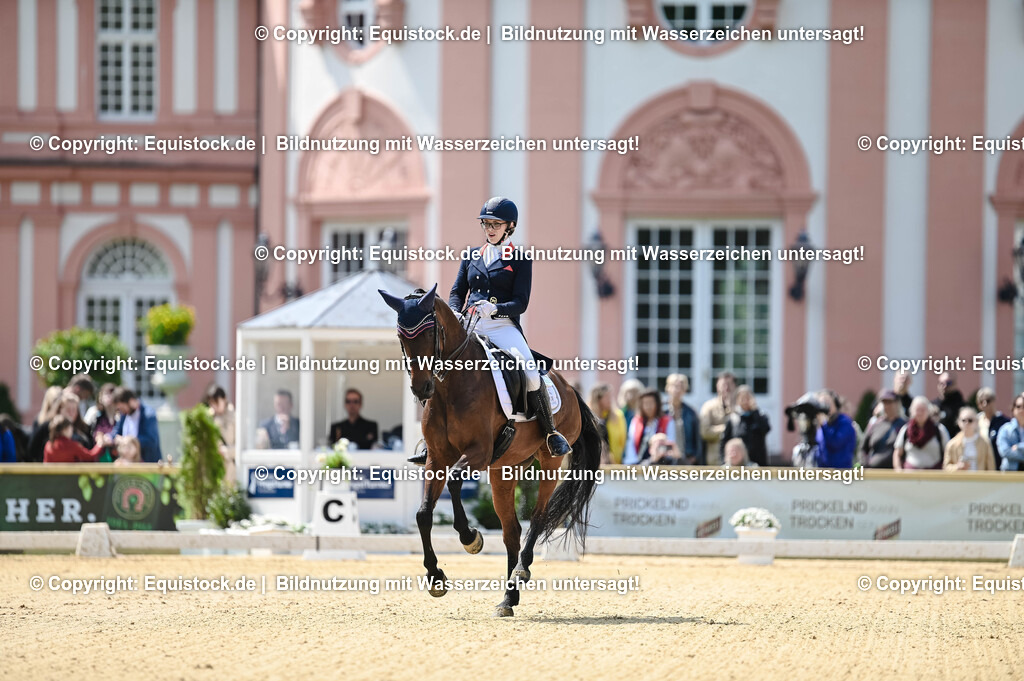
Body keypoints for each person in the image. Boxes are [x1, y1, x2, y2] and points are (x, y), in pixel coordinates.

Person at [447, 196, 570, 456]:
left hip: (502, 327)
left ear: (509, 227)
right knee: (441, 368)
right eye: (486, 224)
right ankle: (434, 439)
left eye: (496, 224)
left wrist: (497, 309)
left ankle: (550, 432)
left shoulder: (521, 258)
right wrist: (456, 313)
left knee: (530, 372)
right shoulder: (471, 256)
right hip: (472, 325)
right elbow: (458, 291)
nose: (490, 229)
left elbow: (521, 302)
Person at [28, 390, 94, 463]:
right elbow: (32, 451)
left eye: (74, 410)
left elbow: (90, 452)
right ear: (60, 409)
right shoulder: (48, 427)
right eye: (68, 410)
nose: (71, 413)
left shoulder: (84, 428)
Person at [894, 396, 950, 470]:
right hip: (910, 475)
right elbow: (897, 453)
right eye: (917, 410)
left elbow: (948, 452)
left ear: (928, 411)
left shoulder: (939, 429)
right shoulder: (906, 429)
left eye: (923, 410)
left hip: (934, 475)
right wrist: (898, 470)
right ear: (912, 411)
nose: (920, 413)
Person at [720, 384, 770, 467]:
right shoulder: (733, 419)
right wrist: (724, 462)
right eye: (742, 398)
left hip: (757, 463)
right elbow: (724, 442)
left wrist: (755, 412)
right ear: (737, 400)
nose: (745, 401)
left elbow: (765, 429)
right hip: (736, 465)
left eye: (748, 398)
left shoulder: (760, 416)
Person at [623, 389, 675, 465]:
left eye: (651, 403)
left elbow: (670, 443)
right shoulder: (636, 421)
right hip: (639, 464)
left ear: (657, 404)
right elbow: (631, 446)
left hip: (661, 464)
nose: (648, 407)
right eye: (645, 403)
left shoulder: (667, 421)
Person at [111, 387, 163, 463]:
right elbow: (116, 432)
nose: (121, 411)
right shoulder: (124, 414)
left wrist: (127, 440)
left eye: (122, 408)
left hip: (146, 464)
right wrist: (109, 437)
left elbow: (151, 441)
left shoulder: (148, 415)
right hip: (126, 464)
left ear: (131, 401)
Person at [859, 390, 906, 469]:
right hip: (873, 470)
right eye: (884, 402)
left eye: (889, 402)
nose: (887, 406)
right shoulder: (875, 424)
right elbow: (863, 448)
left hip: (895, 472)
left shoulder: (904, 425)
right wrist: (864, 463)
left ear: (897, 403)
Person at [700, 371, 736, 466]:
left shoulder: (739, 407)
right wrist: (727, 429)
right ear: (717, 386)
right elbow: (705, 431)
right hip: (714, 460)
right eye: (723, 384)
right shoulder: (709, 407)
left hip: (736, 462)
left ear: (735, 386)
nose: (726, 388)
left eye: (729, 384)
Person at [665, 373, 702, 465]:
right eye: (674, 386)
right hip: (665, 459)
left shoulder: (691, 413)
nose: (677, 390)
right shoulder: (661, 411)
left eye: (681, 387)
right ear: (668, 388)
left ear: (685, 390)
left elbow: (697, 438)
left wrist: (695, 457)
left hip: (686, 459)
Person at [943, 407, 995, 471]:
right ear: (958, 422)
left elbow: (991, 468)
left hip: (979, 480)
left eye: (970, 420)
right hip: (960, 480)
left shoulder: (985, 443)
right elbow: (945, 468)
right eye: (963, 420)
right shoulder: (952, 444)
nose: (967, 423)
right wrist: (957, 467)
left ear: (976, 422)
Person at [814, 390, 857, 469]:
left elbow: (835, 443)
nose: (825, 406)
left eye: (828, 402)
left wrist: (823, 426)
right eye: (822, 403)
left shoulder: (845, 422)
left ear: (836, 404)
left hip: (841, 472)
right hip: (824, 472)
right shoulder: (824, 425)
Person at [587, 382, 626, 464]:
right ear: (598, 399)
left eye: (610, 396)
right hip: (593, 463)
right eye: (606, 397)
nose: (610, 400)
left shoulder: (618, 416)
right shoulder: (588, 418)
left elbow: (623, 441)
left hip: (615, 463)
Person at [43, 416, 108, 463]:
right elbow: (90, 456)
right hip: (69, 480)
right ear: (64, 430)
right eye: (70, 427)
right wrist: (100, 444)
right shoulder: (71, 445)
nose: (72, 430)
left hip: (52, 480)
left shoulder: (48, 445)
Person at [206, 384, 236, 480]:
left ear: (224, 399)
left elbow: (240, 444)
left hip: (231, 466)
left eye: (217, 402)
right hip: (214, 466)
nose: (214, 406)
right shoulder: (209, 417)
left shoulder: (234, 417)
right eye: (212, 403)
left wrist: (227, 451)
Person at [975, 387, 1009, 469]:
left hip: (998, 465)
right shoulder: (975, 421)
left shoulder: (1004, 422)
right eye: (981, 402)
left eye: (988, 401)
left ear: (994, 401)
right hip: (981, 466)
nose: (984, 404)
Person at [995, 394, 1024, 472]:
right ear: (1013, 409)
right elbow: (1004, 451)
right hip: (1010, 474)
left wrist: (1018, 447)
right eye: (1018, 406)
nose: (1021, 410)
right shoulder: (1005, 429)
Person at [933, 371, 965, 439]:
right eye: (941, 383)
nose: (944, 386)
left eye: (948, 383)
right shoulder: (933, 405)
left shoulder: (962, 407)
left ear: (955, 384)